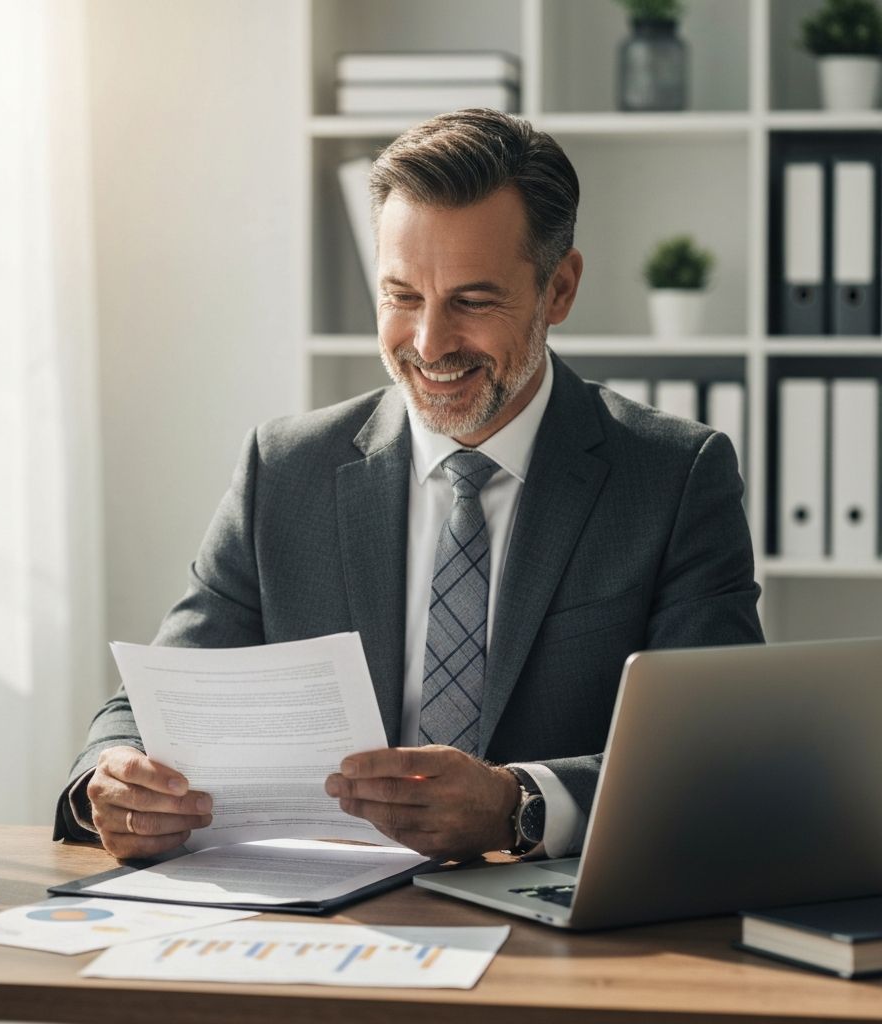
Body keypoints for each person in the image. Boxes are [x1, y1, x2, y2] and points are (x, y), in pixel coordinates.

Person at [54, 108, 763, 862]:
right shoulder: (286, 470)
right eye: (402, 297)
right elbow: (155, 704)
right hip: (325, 920)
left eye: (472, 300)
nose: (429, 345)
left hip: (558, 932)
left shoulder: (673, 478)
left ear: (559, 290)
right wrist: (116, 780)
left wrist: (518, 805)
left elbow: (718, 759)